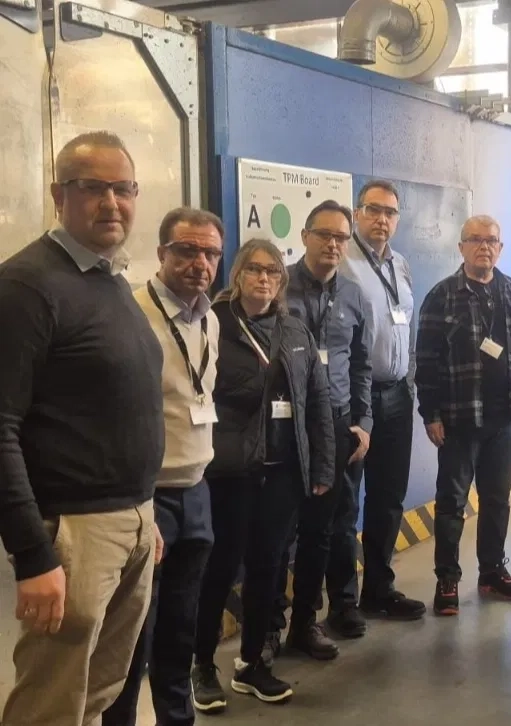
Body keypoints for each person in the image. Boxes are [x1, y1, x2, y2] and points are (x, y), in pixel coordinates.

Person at [0, 131, 164, 725]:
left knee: (98, 693)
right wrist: (34, 555)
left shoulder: (108, 279)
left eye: (124, 189)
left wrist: (142, 515)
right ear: (58, 196)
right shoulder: (26, 286)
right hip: (73, 532)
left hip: (130, 521)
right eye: (93, 188)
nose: (111, 203)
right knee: (52, 703)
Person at [191, 239, 334, 711]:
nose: (264, 278)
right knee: (220, 568)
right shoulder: (214, 322)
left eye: (273, 271)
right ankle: (202, 664)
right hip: (230, 472)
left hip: (283, 472)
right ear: (237, 275)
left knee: (268, 569)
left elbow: (317, 401)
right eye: (254, 269)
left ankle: (252, 663)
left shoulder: (294, 330)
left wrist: (322, 464)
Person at [102, 208, 224, 726]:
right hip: (146, 498)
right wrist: (140, 504)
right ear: (161, 253)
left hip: (196, 490)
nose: (200, 263)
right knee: (133, 634)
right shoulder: (131, 314)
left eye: (210, 253)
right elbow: (113, 419)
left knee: (180, 625)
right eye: (187, 250)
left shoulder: (210, 319)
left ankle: (177, 717)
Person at [416, 214, 511, 616]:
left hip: (505, 419)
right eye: (475, 239)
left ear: (500, 248)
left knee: (497, 500)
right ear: (461, 247)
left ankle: (492, 571)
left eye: (491, 240)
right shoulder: (442, 295)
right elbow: (426, 360)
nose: (484, 246)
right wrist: (431, 413)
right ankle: (447, 579)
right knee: (451, 502)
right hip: (459, 418)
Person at [270, 200, 373, 661]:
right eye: (324, 234)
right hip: (287, 427)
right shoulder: (279, 286)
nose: (333, 244)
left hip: (336, 425)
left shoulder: (352, 294)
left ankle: (306, 625)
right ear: (305, 236)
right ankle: (270, 625)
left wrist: (363, 422)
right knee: (279, 532)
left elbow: (361, 364)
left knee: (324, 530)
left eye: (341, 237)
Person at [327, 180, 426, 636]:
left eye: (390, 212)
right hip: (355, 399)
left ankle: (379, 590)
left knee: (388, 499)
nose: (382, 219)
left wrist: (409, 379)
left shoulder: (400, 265)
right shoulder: (342, 262)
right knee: (346, 505)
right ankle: (343, 603)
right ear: (357, 213)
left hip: (397, 395)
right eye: (373, 210)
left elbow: (405, 326)